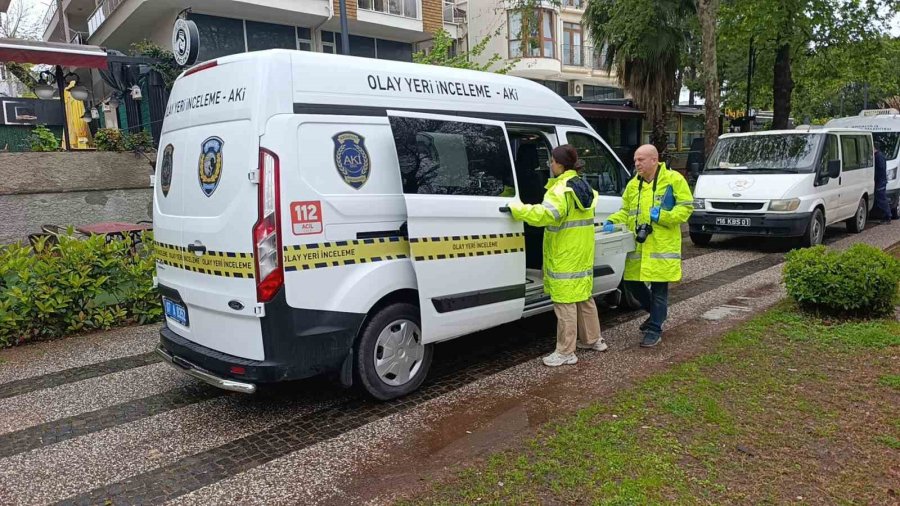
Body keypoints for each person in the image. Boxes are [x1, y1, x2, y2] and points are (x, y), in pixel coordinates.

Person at [508, 144, 607, 367]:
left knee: (564, 304)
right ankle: (593, 340)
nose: (549, 165)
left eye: (551, 161)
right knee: (583, 297)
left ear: (559, 164)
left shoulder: (560, 190)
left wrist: (518, 208)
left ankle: (565, 352)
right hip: (581, 252)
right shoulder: (583, 185)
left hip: (564, 254)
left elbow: (546, 216)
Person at [601, 144, 694, 348]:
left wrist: (663, 216)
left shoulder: (673, 179)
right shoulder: (634, 184)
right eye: (635, 160)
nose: (636, 164)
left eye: (640, 160)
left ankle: (654, 329)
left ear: (654, 160)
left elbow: (686, 208)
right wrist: (612, 221)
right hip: (639, 246)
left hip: (661, 247)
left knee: (660, 289)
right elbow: (626, 211)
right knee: (632, 283)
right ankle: (657, 315)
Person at [874, 147, 892, 224]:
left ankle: (887, 216)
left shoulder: (878, 156)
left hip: (880, 181)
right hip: (881, 181)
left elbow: (880, 170)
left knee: (882, 199)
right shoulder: (879, 156)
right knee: (881, 199)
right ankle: (886, 216)